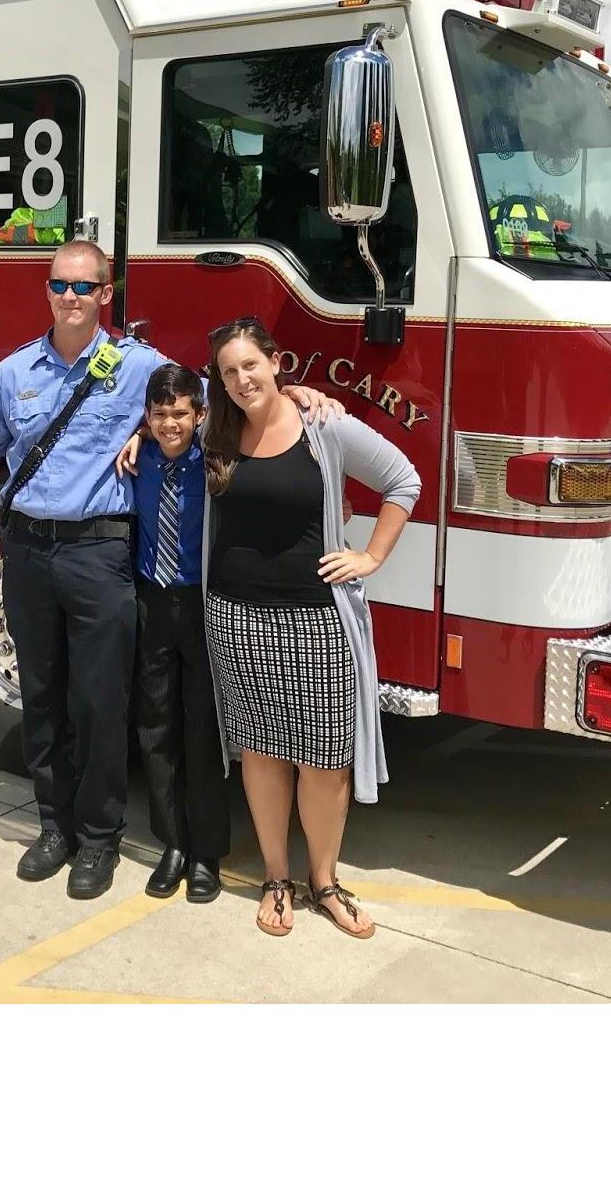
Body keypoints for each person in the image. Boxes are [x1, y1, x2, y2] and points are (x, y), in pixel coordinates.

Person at [0, 243, 338, 901]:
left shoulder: (136, 366)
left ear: (107, 293)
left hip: (100, 551)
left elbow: (218, 392)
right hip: (27, 552)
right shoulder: (13, 372)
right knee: (43, 696)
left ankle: (99, 841)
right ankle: (56, 827)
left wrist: (289, 392)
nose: (71, 297)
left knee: (101, 702)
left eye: (84, 286)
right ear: (46, 292)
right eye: (59, 285)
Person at [201, 316, 420, 939]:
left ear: (276, 362)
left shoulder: (324, 425)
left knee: (326, 761)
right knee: (263, 753)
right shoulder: (215, 429)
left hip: (317, 619)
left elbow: (403, 478)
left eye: (252, 365)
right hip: (236, 617)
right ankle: (277, 878)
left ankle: (324, 882)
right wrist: (138, 439)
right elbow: (165, 408)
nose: (242, 379)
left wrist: (371, 555)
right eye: (229, 370)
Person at [127, 363, 228, 902]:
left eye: (181, 414)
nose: (171, 424)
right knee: (156, 724)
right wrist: (131, 434)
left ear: (200, 414)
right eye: (161, 414)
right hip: (152, 600)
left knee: (202, 727)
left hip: (200, 603)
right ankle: (171, 843)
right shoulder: (135, 456)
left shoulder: (213, 462)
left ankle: (207, 851)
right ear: (147, 417)